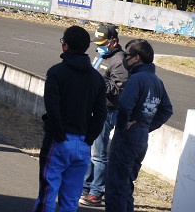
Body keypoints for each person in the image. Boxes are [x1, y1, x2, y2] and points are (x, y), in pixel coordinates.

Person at [33, 25, 107, 212]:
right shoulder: (97, 79)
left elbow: (52, 108)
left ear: (65, 45)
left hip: (59, 141)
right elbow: (100, 114)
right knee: (71, 199)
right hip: (82, 143)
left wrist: (58, 135)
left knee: (48, 194)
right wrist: (89, 138)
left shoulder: (56, 72)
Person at [105, 39, 172, 212]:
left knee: (116, 187)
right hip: (141, 139)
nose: (124, 58)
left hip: (127, 139)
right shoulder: (157, 81)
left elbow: (124, 106)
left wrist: (123, 126)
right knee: (126, 185)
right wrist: (146, 126)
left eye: (127, 55)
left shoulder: (136, 79)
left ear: (136, 58)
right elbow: (166, 110)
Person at [80, 24, 128, 207]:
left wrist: (96, 82)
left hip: (106, 111)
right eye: (97, 43)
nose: (98, 46)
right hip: (92, 108)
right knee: (89, 151)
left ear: (113, 42)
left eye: (102, 43)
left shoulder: (119, 61)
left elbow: (117, 89)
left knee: (98, 155)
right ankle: (85, 188)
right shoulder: (102, 55)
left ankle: (96, 192)